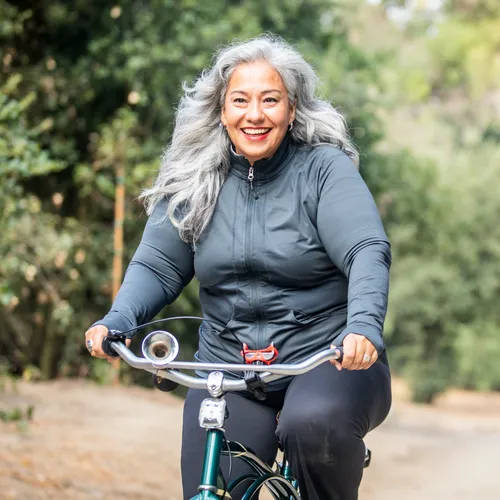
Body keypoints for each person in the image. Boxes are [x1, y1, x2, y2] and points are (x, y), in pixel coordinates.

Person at [84, 34, 392, 500]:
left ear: (291, 110)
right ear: (221, 109)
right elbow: (159, 264)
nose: (255, 114)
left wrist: (364, 327)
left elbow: (366, 248)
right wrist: (118, 321)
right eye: (240, 100)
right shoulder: (194, 175)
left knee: (312, 426)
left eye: (270, 100)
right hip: (228, 368)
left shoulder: (324, 170)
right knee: (214, 483)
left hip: (327, 360)